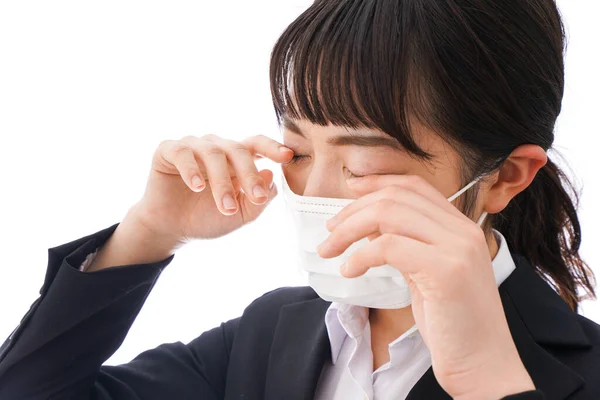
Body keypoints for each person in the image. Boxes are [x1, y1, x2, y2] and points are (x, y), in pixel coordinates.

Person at [1, 0, 599, 399]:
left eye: (362, 164)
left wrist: (488, 381)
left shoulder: (581, 370)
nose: (314, 195)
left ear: (505, 177)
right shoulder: (266, 339)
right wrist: (149, 233)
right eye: (300, 152)